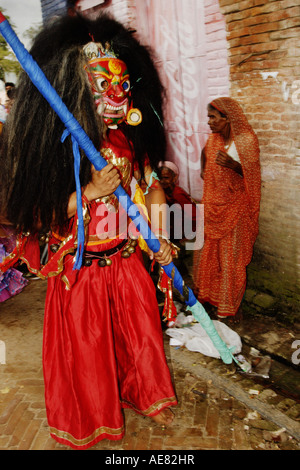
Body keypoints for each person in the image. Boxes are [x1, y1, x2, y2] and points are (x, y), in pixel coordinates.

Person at [0, 14, 177, 450]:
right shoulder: (58, 148)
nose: (117, 93)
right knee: (88, 356)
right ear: (81, 91)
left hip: (127, 261)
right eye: (105, 85)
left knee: (139, 342)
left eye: (122, 84)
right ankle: (92, 419)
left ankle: (140, 397)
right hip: (82, 273)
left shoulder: (129, 142)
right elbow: (38, 216)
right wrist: (90, 191)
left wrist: (162, 238)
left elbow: (152, 188)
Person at [193, 97, 261, 322]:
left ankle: (229, 307)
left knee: (231, 261)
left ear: (228, 118)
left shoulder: (246, 141)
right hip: (214, 208)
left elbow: (253, 178)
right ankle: (212, 300)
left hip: (236, 210)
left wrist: (235, 166)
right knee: (211, 258)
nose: (209, 122)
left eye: (213, 117)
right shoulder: (214, 141)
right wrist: (205, 172)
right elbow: (204, 155)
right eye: (208, 117)